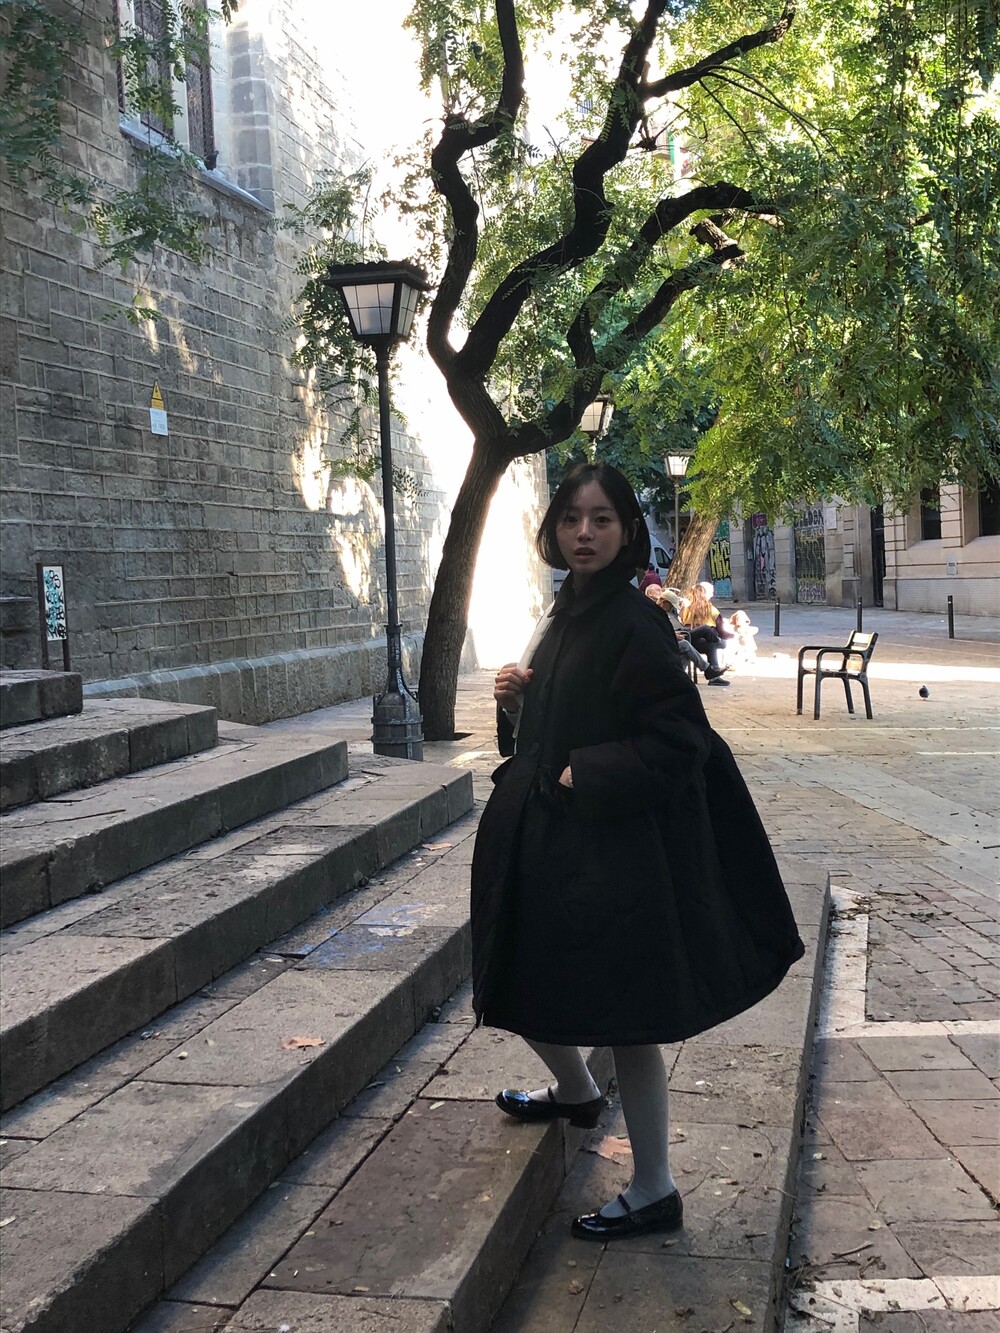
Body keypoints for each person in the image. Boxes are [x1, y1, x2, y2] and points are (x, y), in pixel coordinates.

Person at [471, 463, 805, 1241]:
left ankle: (655, 1186)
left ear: (626, 532)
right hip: (552, 841)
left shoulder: (632, 621)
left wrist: (584, 771)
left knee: (629, 1015)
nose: (584, 532)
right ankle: (576, 1090)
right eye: (571, 518)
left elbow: (682, 739)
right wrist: (518, 703)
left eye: (602, 519)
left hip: (613, 851)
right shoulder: (566, 611)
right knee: (514, 968)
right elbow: (555, 723)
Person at [678, 581, 732, 685]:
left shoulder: (685, 608)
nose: (712, 594)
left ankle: (713, 676)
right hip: (686, 639)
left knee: (711, 645)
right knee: (707, 630)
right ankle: (714, 677)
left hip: (691, 640)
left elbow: (682, 622)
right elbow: (721, 631)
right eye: (711, 592)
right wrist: (732, 635)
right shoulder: (712, 610)